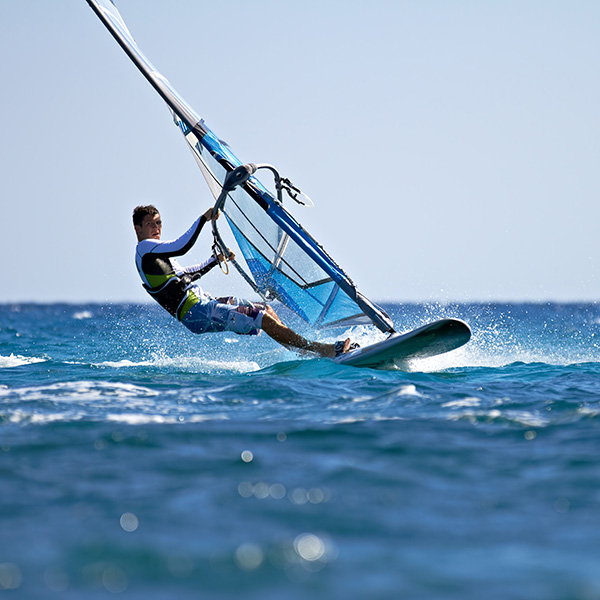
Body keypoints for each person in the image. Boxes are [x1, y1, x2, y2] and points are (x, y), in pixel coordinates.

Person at [133, 205, 355, 358]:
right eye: (150, 224)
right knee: (262, 319)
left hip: (203, 303)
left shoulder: (156, 253)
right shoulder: (145, 249)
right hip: (196, 311)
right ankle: (322, 350)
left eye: (159, 223)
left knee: (265, 310)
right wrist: (203, 219)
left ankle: (303, 351)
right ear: (138, 229)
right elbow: (182, 246)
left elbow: (186, 275)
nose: (156, 228)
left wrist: (214, 260)